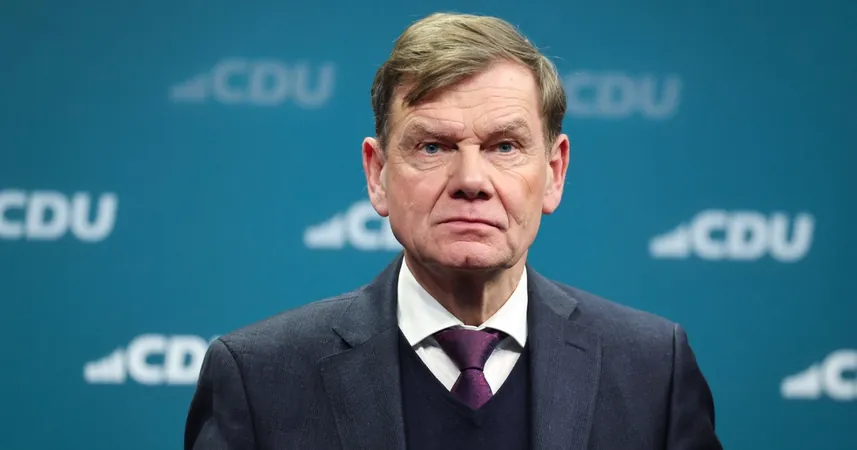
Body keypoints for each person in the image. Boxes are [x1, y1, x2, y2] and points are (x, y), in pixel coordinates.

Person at [184, 12, 722, 450]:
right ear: (377, 174)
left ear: (554, 172)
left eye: (504, 146)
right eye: (433, 147)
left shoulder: (655, 369)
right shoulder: (259, 378)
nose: (470, 181)